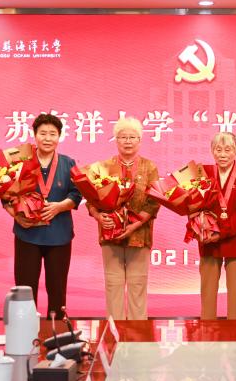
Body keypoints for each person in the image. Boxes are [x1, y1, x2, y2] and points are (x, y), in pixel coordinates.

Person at [10, 114, 81, 317]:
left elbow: (77, 194)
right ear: (34, 135)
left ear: (59, 136)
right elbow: (6, 192)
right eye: (43, 133)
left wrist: (60, 206)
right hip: (27, 234)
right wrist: (15, 215)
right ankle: (24, 330)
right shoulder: (20, 161)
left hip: (59, 235)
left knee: (57, 289)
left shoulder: (68, 163)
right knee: (25, 289)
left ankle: (57, 331)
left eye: (52, 134)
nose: (47, 138)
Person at [88, 117, 160, 320]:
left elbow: (155, 201)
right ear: (116, 140)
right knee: (113, 285)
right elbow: (91, 199)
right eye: (123, 137)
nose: (127, 141)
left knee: (138, 285)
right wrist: (99, 216)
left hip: (139, 235)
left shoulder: (149, 167)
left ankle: (138, 333)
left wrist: (135, 224)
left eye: (132, 137)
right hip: (110, 234)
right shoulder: (102, 167)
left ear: (140, 140)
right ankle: (115, 333)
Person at [198, 132, 236, 320]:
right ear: (212, 151)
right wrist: (200, 227)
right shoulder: (203, 173)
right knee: (207, 294)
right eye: (218, 149)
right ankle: (207, 333)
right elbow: (194, 205)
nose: (222, 154)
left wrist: (221, 232)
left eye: (227, 150)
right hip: (209, 240)